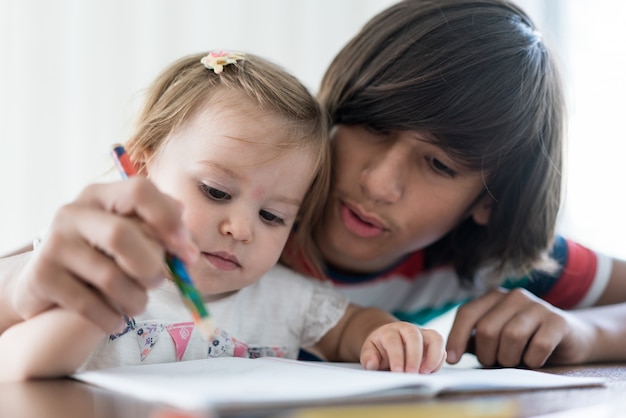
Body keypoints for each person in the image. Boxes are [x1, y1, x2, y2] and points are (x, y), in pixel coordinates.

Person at [2, 0, 626, 371]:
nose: (379, 183)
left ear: (489, 202)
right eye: (372, 126)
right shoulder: (238, 167)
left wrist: (583, 334)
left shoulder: (490, 257)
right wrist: (30, 288)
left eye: (438, 165)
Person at [0, 50, 446, 381]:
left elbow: (352, 325)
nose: (241, 228)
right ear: (142, 167)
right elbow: (15, 365)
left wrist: (388, 335)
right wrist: (91, 309)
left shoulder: (285, 299)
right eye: (215, 192)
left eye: (273, 217)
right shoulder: (95, 266)